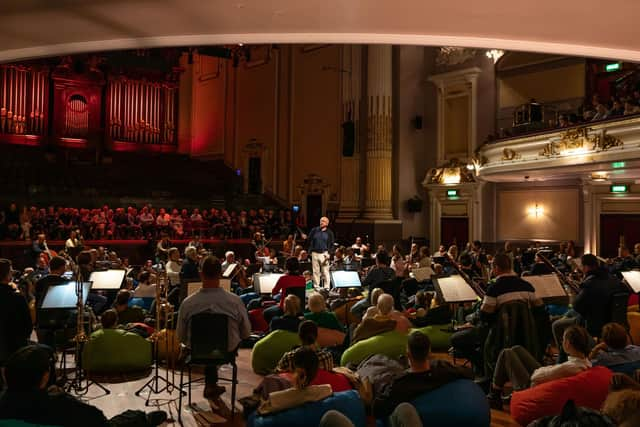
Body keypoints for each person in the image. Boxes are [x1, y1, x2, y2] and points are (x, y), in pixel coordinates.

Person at [0, 344, 167, 426]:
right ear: (45, 376)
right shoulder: (61, 405)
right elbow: (99, 422)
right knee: (132, 417)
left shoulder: (5, 404)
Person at [450, 252, 543, 375]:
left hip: (497, 335)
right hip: (525, 334)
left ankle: (484, 366)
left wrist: (471, 321)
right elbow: (540, 310)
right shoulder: (528, 286)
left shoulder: (494, 288)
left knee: (456, 339)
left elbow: (485, 317)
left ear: (496, 268)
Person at [176, 255, 251, 400]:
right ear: (221, 274)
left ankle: (211, 385)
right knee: (216, 347)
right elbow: (246, 333)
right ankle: (211, 385)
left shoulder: (188, 303)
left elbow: (180, 336)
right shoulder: (235, 301)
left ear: (200, 274)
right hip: (226, 352)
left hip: (197, 352)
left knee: (206, 348)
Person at [368, 331, 472, 418]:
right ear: (429, 352)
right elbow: (468, 373)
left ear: (408, 353)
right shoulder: (443, 368)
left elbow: (377, 409)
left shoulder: (400, 383)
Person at [488, 325, 591, 408]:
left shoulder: (570, 367)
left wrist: (547, 368)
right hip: (544, 379)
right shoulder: (584, 362)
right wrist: (549, 368)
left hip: (532, 387)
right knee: (516, 349)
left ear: (568, 343)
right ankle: (497, 394)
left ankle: (495, 395)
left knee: (506, 353)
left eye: (563, 339)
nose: (561, 342)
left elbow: (535, 377)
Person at [552, 254, 627, 362]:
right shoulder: (613, 278)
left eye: (582, 267)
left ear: (586, 267)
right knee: (569, 315)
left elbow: (577, 306)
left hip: (595, 324)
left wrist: (576, 293)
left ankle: (565, 358)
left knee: (557, 325)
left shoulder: (590, 282)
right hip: (616, 321)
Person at [0, 259, 32, 366]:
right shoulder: (17, 297)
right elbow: (28, 325)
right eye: (11, 270)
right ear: (7, 275)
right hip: (14, 348)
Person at [263, 257, 306, 324]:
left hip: (285, 308)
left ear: (286, 267)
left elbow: (274, 292)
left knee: (266, 313)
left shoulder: (283, 278)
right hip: (299, 308)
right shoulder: (303, 279)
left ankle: (274, 327)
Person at [306, 216, 335, 289]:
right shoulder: (314, 230)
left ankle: (326, 288)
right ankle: (316, 287)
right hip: (315, 253)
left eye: (324, 221)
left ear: (327, 223)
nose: (321, 222)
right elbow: (309, 240)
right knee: (316, 271)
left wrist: (329, 253)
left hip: (324, 253)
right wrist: (306, 238)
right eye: (321, 220)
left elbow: (332, 244)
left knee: (325, 271)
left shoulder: (330, 233)